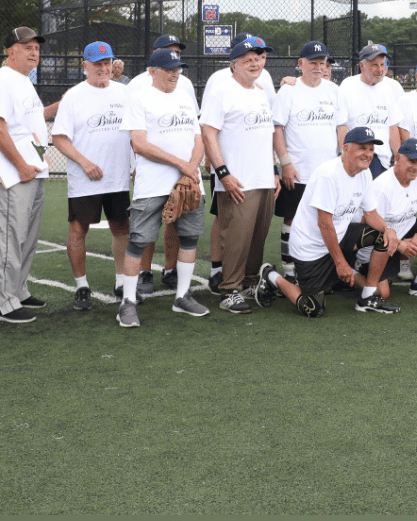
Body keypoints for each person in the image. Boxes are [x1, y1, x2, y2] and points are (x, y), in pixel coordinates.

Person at [257, 127, 394, 318]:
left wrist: (388, 229)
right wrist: (341, 263)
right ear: (346, 148)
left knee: (382, 236)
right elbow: (324, 224)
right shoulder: (328, 174)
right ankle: (271, 276)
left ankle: (368, 297)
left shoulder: (364, 173)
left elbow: (370, 214)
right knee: (313, 309)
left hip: (338, 237)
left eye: (371, 149)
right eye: (362, 148)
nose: (368, 154)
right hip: (310, 249)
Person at [118, 47, 208, 328]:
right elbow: (139, 144)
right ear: (152, 71)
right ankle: (127, 302)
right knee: (138, 241)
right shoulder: (140, 98)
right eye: (168, 69)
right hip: (153, 184)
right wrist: (182, 165)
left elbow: (199, 138)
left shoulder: (185, 97)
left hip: (189, 182)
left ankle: (182, 296)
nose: (174, 73)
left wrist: (190, 169)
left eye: (177, 69)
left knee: (189, 238)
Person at [201, 36, 280, 315]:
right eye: (248, 60)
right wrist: (223, 173)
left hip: (263, 178)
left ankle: (248, 283)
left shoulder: (260, 90)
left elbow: (266, 135)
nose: (255, 63)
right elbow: (208, 133)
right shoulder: (222, 90)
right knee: (236, 237)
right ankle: (229, 290)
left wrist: (274, 170)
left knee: (257, 236)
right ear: (234, 64)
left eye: (259, 58)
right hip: (238, 180)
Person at [50, 41, 131, 311]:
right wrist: (84, 162)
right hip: (86, 179)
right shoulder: (74, 96)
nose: (103, 68)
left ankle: (121, 281)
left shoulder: (124, 93)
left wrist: (134, 164)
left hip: (118, 178)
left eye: (107, 63)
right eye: (97, 64)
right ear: (85, 65)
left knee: (122, 228)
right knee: (78, 230)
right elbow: (59, 137)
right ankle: (82, 286)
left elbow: (135, 132)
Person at [0, 27, 52, 324]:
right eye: (27, 47)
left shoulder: (24, 80)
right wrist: (21, 165)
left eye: (36, 48)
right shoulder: (1, 80)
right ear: (11, 51)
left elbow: (28, 125)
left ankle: (18, 290)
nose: (34, 52)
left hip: (32, 169)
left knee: (26, 237)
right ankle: (1, 302)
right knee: (8, 237)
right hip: (11, 173)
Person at [128, 34, 199, 295]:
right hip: (152, 172)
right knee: (146, 231)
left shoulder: (185, 86)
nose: (175, 63)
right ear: (154, 61)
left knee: (177, 219)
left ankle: (171, 271)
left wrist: (190, 168)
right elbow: (134, 136)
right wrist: (133, 165)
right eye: (169, 54)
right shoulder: (137, 87)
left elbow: (196, 132)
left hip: (184, 174)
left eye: (177, 54)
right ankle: (144, 272)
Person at [347, 137, 417, 313]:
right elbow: (368, 226)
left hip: (401, 233)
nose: (416, 167)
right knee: (382, 293)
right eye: (412, 161)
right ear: (398, 157)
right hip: (377, 245)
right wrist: (400, 245)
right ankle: (348, 270)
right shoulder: (383, 186)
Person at [272, 40, 342, 275]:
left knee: (326, 220)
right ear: (300, 63)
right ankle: (290, 271)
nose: (318, 67)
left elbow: (341, 127)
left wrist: (341, 160)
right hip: (298, 171)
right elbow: (277, 129)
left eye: (322, 62)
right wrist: (286, 163)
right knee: (292, 220)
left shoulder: (333, 90)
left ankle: (320, 271)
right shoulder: (288, 90)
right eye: (313, 62)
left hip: (328, 173)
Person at [337, 44, 402, 178]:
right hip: (357, 158)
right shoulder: (348, 86)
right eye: (374, 65)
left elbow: (392, 127)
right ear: (362, 66)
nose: (380, 70)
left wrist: (399, 158)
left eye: (382, 65)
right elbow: (342, 125)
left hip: (382, 160)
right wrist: (345, 157)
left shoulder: (387, 90)